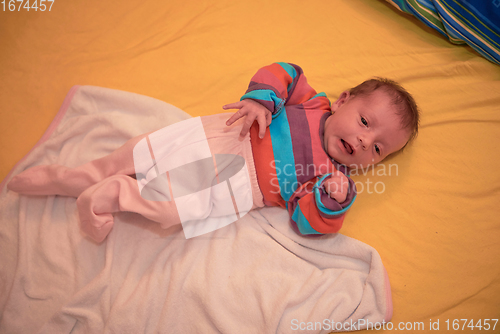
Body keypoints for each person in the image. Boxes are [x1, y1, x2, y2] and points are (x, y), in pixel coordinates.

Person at [7, 62, 419, 242]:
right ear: (345, 100)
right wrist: (263, 100)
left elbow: (307, 222)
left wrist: (332, 201)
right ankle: (82, 175)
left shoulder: (334, 180)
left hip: (235, 185)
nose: (365, 143)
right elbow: (285, 71)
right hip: (223, 132)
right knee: (140, 152)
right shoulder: (313, 103)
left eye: (379, 149)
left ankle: (105, 196)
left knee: (167, 209)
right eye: (366, 123)